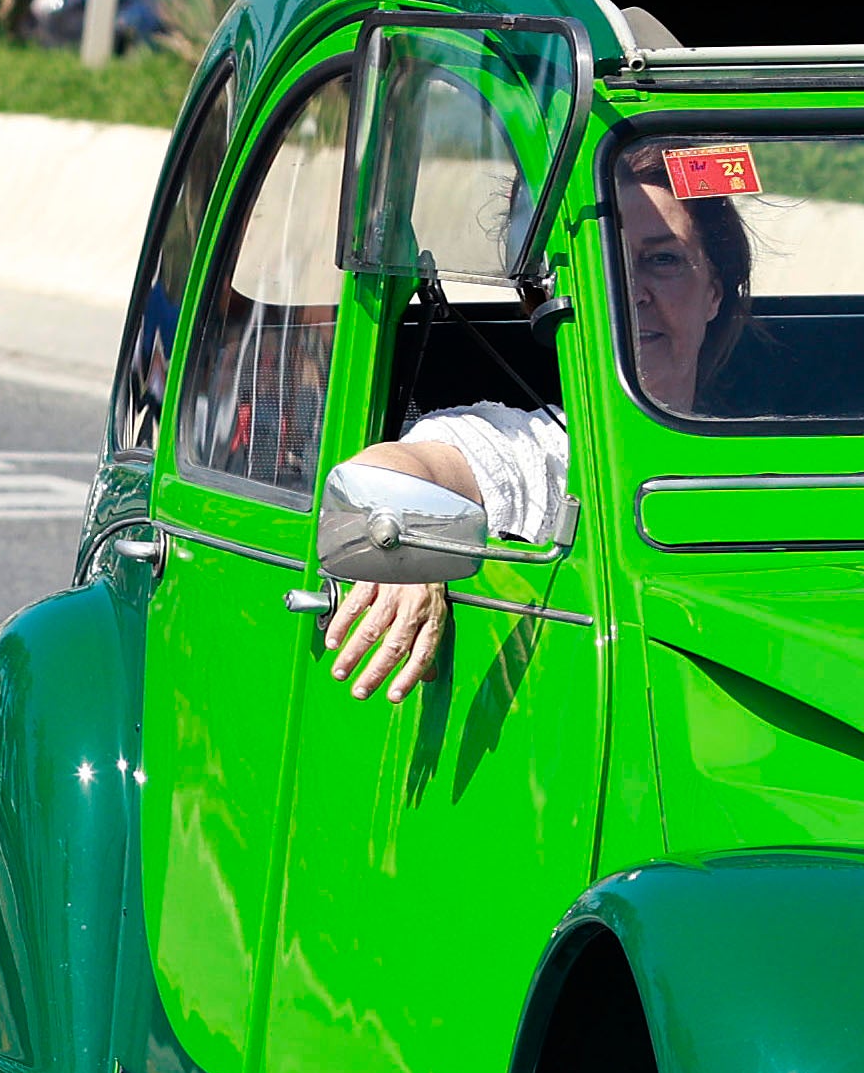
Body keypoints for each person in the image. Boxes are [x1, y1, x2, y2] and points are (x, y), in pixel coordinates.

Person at [320, 162, 753, 701]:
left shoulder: (780, 451)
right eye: (598, 268)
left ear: (713, 291)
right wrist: (408, 548)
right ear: (540, 300)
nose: (630, 293)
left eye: (662, 260)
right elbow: (389, 470)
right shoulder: (532, 451)